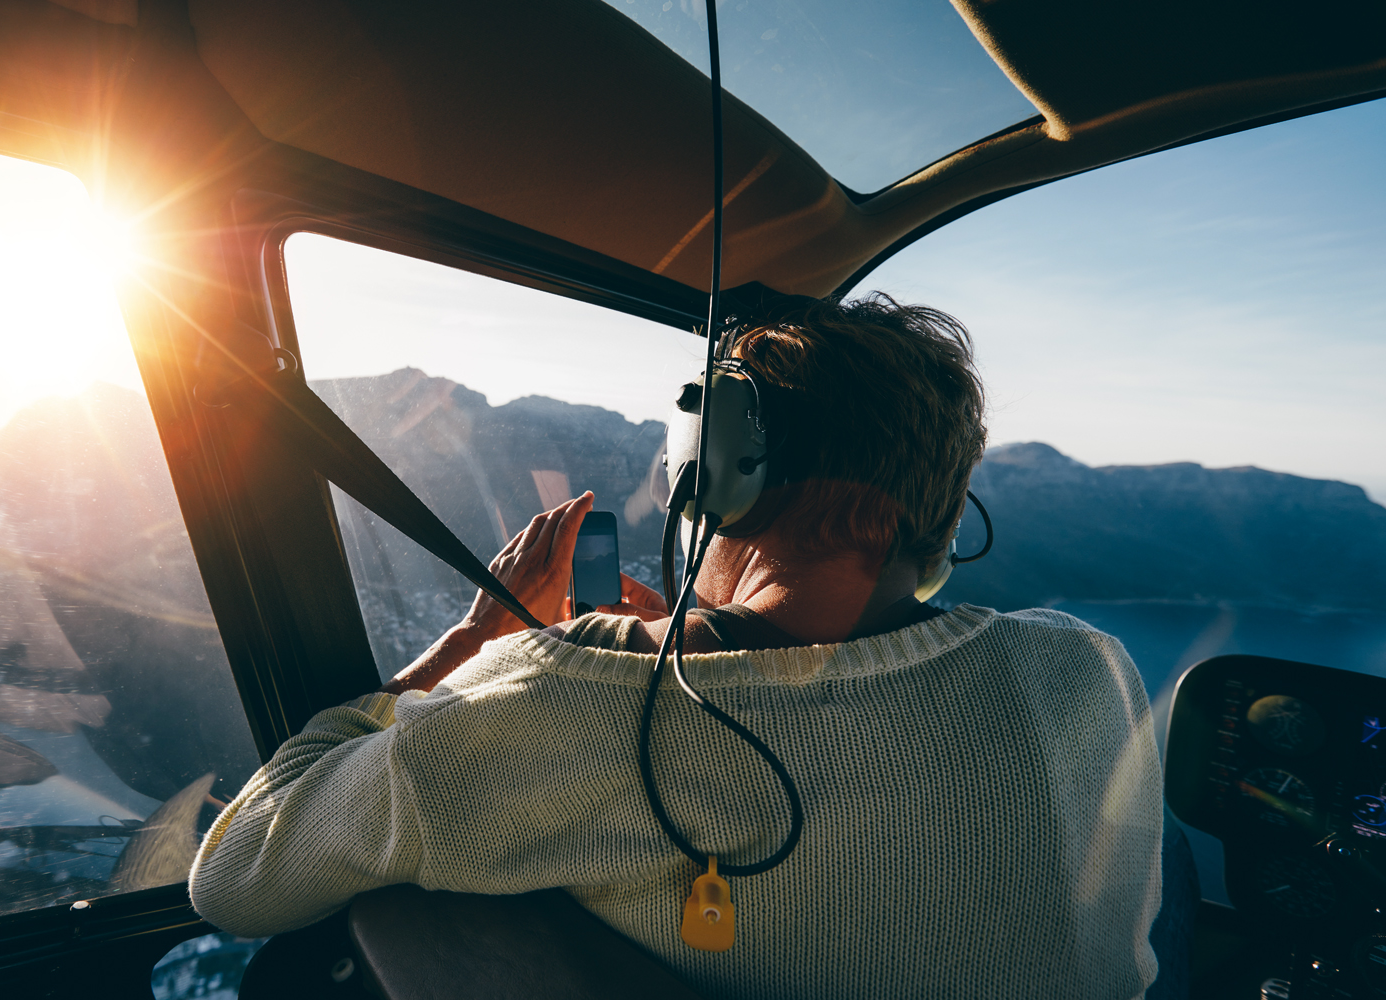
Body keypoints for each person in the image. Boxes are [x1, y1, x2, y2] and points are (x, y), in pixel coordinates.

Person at [189, 294, 1163, 999]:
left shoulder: (589, 691)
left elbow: (237, 876)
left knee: (404, 912)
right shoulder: (1086, 665)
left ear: (716, 477)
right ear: (940, 510)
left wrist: (476, 641)